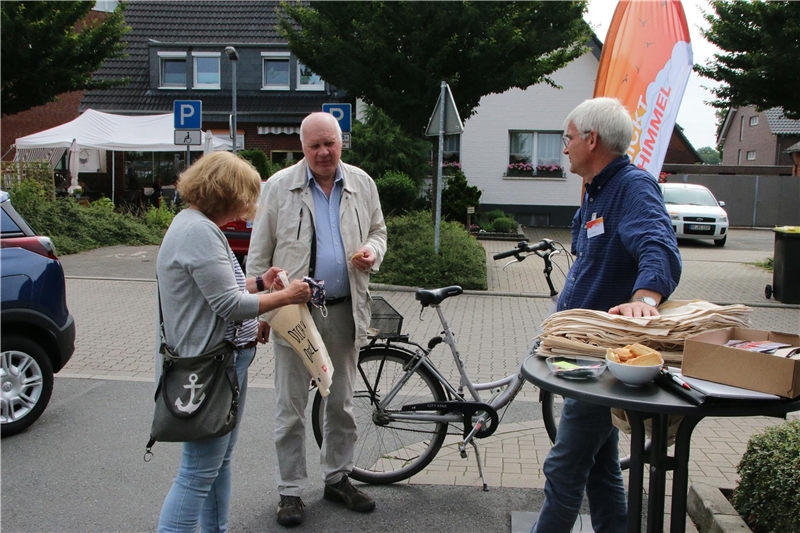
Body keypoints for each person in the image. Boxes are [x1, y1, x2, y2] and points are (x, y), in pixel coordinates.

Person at [531, 97, 682, 533]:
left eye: (568, 138)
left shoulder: (632, 188)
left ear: (592, 140)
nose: (564, 148)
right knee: (600, 466)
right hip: (583, 353)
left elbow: (658, 245)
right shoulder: (598, 190)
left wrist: (647, 298)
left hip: (604, 362)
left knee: (564, 468)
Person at [156, 151, 311, 533]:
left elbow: (221, 288)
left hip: (217, 363)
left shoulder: (192, 224)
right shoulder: (200, 231)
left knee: (216, 463)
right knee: (197, 471)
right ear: (223, 192)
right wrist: (286, 296)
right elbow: (229, 304)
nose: (245, 210)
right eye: (242, 199)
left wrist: (262, 280)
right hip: (210, 367)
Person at [247, 112, 387, 527]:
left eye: (330, 143)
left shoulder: (362, 183)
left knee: (341, 404)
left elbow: (379, 231)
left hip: (344, 311)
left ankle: (337, 477)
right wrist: (259, 307)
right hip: (293, 313)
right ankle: (290, 491)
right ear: (302, 146)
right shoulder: (278, 187)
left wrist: (372, 252)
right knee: (290, 406)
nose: (324, 152)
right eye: (314, 146)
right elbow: (259, 253)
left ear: (341, 141)